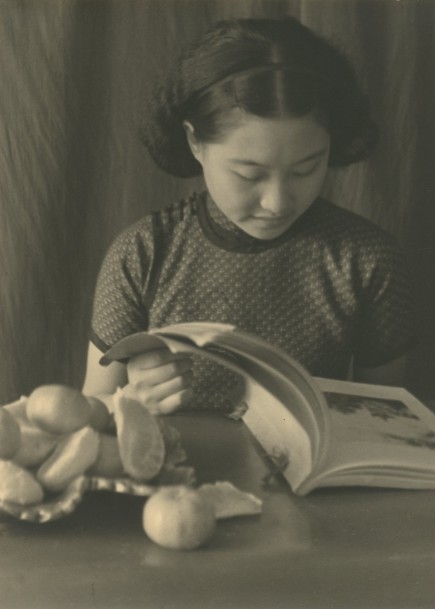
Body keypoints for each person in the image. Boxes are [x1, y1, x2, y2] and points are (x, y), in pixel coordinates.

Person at [82, 16, 416, 414]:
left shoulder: (366, 259)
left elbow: (387, 417)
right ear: (195, 142)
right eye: (249, 174)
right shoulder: (143, 253)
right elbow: (92, 408)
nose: (277, 203)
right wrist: (129, 403)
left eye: (306, 169)